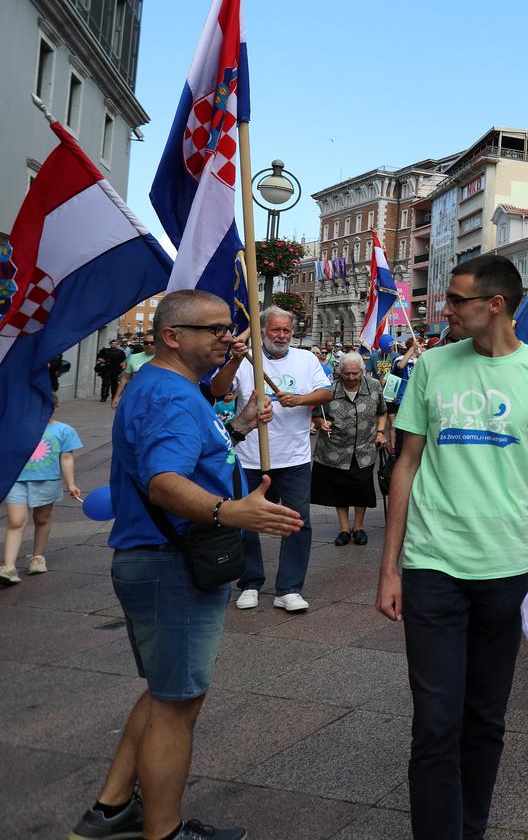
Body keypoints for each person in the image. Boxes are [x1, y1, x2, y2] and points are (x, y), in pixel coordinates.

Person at [68, 290, 294, 840]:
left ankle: (112, 807)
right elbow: (165, 481)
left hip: (156, 559)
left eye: (228, 327)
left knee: (163, 692)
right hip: (172, 563)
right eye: (214, 329)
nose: (228, 337)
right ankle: (162, 832)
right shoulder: (171, 395)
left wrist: (236, 427)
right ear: (172, 336)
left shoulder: (168, 387)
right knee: (177, 706)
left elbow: (190, 455)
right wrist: (229, 510)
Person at [375, 254, 528, 840]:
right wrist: (389, 566)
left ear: (495, 304)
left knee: (486, 718)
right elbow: (406, 465)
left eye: (456, 299)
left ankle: (471, 827)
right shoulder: (433, 366)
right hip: (431, 565)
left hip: (507, 568)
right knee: (435, 722)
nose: (446, 309)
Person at [210, 307, 333, 614]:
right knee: (243, 522)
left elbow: (327, 392)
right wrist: (236, 358)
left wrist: (299, 400)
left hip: (293, 457)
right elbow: (217, 390)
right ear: (263, 331)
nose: (281, 336)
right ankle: (250, 582)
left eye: (286, 331)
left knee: (296, 522)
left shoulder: (306, 360)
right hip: (250, 457)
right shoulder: (247, 359)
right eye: (275, 330)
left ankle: (289, 588)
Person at [312, 353, 387, 547]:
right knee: (340, 489)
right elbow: (317, 415)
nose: (352, 377)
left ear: (362, 371)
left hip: (364, 448)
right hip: (336, 448)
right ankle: (344, 529)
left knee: (362, 488)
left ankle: (359, 527)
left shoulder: (374, 387)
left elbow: (382, 412)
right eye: (347, 374)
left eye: (356, 373)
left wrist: (380, 432)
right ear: (340, 372)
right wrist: (322, 423)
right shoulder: (329, 391)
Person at [2, 404, 83, 584]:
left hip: (48, 481)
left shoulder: (64, 430)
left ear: (55, 406)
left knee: (42, 519)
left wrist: (71, 483)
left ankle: (37, 558)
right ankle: (9, 566)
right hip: (17, 481)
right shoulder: (15, 427)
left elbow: (67, 457)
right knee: (16, 521)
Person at [112, 335, 155, 408]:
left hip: (157, 397)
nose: (149, 345)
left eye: (152, 343)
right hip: (137, 396)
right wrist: (116, 397)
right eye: (146, 343)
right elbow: (124, 379)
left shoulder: (164, 358)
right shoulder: (133, 358)